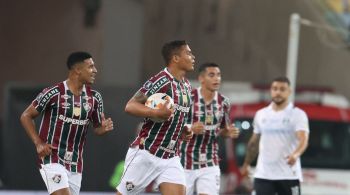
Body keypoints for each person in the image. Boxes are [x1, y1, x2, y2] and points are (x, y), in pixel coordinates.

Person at [20, 52, 114, 195]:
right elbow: (26, 115)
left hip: (75, 163)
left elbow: (97, 128)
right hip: (52, 158)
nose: (95, 70)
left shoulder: (95, 98)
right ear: (77, 70)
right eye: (91, 67)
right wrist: (38, 143)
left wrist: (104, 128)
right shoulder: (53, 93)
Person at [116, 40, 195, 195]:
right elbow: (130, 106)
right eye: (188, 53)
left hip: (170, 157)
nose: (193, 56)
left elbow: (176, 116)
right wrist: (156, 113)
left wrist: (182, 129)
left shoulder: (186, 86)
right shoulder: (161, 80)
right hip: (148, 152)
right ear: (175, 58)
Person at [240, 76, 309, 195]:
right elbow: (254, 142)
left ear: (289, 92)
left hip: (288, 175)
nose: (278, 92)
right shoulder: (261, 114)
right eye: (275, 88)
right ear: (271, 91)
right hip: (263, 175)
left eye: (282, 89)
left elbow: (303, 139)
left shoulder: (297, 114)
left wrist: (296, 154)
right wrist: (246, 163)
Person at [178, 62, 240, 195]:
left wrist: (228, 132)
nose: (216, 78)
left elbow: (223, 130)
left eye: (218, 75)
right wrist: (190, 128)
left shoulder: (224, 102)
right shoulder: (188, 98)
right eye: (211, 75)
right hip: (185, 162)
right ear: (201, 79)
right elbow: (174, 126)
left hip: (209, 162)